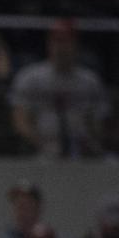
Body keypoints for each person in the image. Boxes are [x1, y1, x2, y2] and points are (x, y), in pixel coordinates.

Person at [9, 19, 107, 158]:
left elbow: (96, 123)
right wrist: (40, 144)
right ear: (49, 43)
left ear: (75, 44)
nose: (61, 47)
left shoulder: (90, 80)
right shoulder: (30, 77)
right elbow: (20, 120)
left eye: (66, 41)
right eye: (57, 40)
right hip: (41, 150)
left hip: (81, 150)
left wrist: (91, 144)